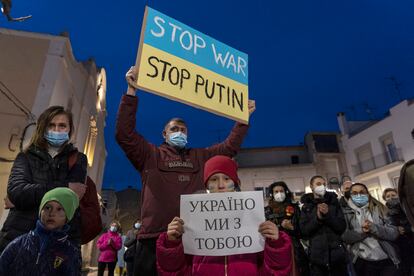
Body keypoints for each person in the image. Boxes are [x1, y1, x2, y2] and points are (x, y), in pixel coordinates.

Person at [116, 66, 255, 275]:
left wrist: (242, 120)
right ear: (164, 134)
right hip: (153, 239)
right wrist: (131, 92)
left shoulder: (200, 157)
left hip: (193, 238)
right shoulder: (149, 155)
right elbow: (124, 134)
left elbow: (228, 148)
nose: (179, 132)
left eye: (183, 130)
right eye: (174, 129)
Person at [156, 155, 292, 275]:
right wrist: (172, 244)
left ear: (236, 184)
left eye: (227, 178)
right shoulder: (191, 219)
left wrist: (276, 245)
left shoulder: (253, 217)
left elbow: (273, 271)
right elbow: (176, 271)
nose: (221, 185)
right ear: (207, 185)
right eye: (214, 179)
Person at [0, 106, 87, 253]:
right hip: (19, 238)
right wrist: (65, 186)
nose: (57, 130)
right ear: (43, 127)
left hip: (58, 243)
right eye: (51, 125)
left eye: (62, 126)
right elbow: (17, 192)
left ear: (69, 130)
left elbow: (69, 199)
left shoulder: (78, 159)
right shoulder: (25, 156)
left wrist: (28, 193)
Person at [0, 187, 81, 275]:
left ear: (68, 216)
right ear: (40, 211)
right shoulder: (18, 244)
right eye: (47, 207)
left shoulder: (70, 252)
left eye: (59, 209)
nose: (51, 213)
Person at [341, 183, 400, 276]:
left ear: (367, 194)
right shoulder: (346, 213)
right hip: (363, 263)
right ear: (350, 196)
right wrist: (362, 231)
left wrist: (374, 228)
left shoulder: (380, 209)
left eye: (362, 192)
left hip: (386, 259)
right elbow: (345, 237)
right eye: (355, 193)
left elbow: (394, 233)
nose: (359, 195)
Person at [299, 175, 347, 276]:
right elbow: (304, 231)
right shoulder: (306, 207)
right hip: (317, 258)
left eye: (324, 184)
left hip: (337, 256)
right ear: (311, 186)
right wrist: (318, 219)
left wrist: (328, 216)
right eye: (318, 184)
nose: (322, 186)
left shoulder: (334, 203)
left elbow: (341, 227)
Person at [265, 181, 309, 276]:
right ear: (272, 194)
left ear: (286, 192)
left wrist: (292, 228)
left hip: (293, 249)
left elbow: (303, 232)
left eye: (281, 191)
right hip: (274, 250)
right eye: (276, 192)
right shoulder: (267, 211)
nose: (279, 194)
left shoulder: (294, 208)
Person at [383, 188, 414, 276]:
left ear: (398, 195)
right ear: (385, 198)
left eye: (393, 195)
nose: (391, 198)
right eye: (388, 196)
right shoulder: (385, 212)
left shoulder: (406, 207)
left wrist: (406, 228)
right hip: (400, 245)